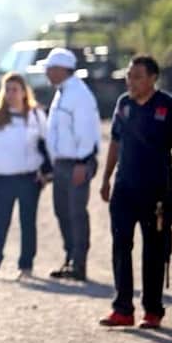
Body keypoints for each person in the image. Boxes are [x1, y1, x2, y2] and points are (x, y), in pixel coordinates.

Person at [98, 56, 172, 329]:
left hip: (156, 192)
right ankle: (122, 308)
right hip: (124, 189)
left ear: (152, 78)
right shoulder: (124, 105)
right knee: (121, 248)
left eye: (137, 76)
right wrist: (106, 178)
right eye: (129, 75)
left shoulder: (169, 107)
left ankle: (152, 311)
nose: (131, 81)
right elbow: (115, 141)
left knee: (154, 252)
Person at [0, 73, 50, 280]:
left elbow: (47, 145)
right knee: (1, 221)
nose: (10, 94)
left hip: (29, 178)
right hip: (3, 178)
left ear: (24, 92)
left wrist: (47, 173)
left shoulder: (35, 116)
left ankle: (26, 265)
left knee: (28, 222)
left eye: (15, 89)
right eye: (7, 90)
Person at [43, 47, 100, 281]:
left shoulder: (79, 94)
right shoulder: (62, 92)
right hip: (62, 163)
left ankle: (80, 263)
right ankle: (70, 258)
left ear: (62, 69)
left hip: (78, 162)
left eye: (50, 69)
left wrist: (82, 162)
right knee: (62, 210)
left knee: (76, 212)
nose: (47, 73)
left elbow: (86, 132)